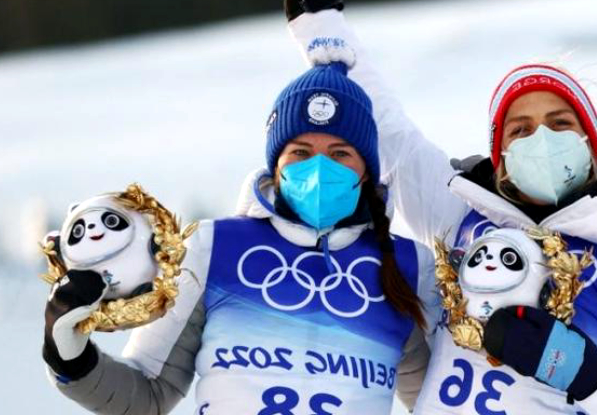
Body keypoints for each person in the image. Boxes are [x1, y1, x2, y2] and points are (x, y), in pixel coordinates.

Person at [281, 1, 597, 414]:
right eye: (520, 130)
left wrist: (585, 373)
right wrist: (319, 24)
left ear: (590, 144)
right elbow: (390, 131)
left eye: (560, 124)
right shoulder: (461, 216)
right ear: (500, 156)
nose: (541, 140)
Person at [42, 53, 438, 414]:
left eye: (339, 154)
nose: (319, 170)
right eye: (300, 152)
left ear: (366, 169)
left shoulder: (408, 267)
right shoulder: (213, 248)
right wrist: (70, 358)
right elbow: (146, 395)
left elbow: (445, 402)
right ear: (276, 163)